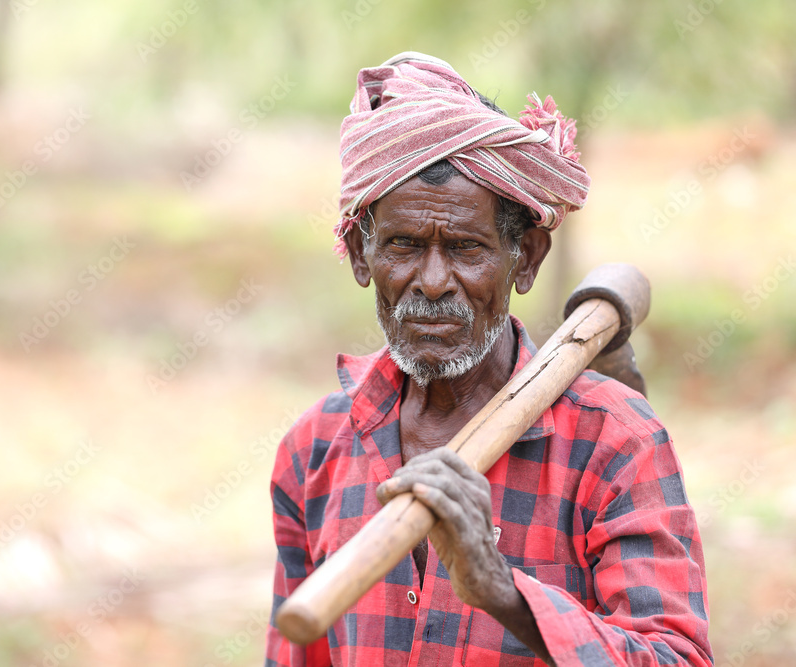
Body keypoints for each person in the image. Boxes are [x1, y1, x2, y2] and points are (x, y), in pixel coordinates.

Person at [265, 52, 712, 666]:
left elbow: (678, 658)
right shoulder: (313, 450)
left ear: (525, 258)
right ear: (360, 258)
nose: (432, 281)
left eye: (466, 247)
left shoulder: (616, 441)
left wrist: (503, 592)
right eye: (403, 245)